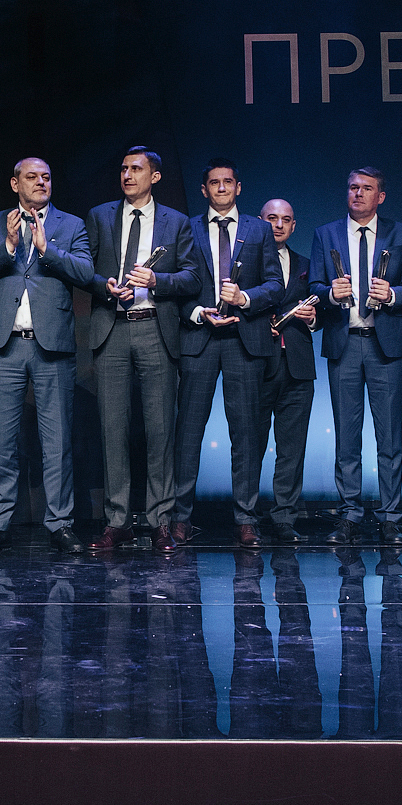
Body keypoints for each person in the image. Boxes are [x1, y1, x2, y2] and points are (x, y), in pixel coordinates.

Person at [0, 157, 95, 554]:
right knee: (1, 441)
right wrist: (7, 245)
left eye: (46, 177)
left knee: (57, 442)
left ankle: (60, 523)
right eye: (32, 177)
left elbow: (85, 274)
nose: (41, 182)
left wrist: (46, 250)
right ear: (15, 183)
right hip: (3, 345)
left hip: (52, 345)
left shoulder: (70, 225)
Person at [83, 147, 198, 553]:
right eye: (124, 168)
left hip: (154, 327)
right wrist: (104, 286)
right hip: (112, 327)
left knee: (159, 430)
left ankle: (160, 521)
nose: (128, 175)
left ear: (155, 177)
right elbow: (84, 268)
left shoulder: (176, 222)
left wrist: (157, 281)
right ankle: (117, 521)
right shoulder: (100, 216)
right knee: (112, 428)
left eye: (136, 169)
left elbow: (192, 277)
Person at [173, 160, 283, 548]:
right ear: (204, 190)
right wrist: (196, 312)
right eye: (214, 183)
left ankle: (245, 518)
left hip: (243, 339)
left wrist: (245, 298)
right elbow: (177, 285)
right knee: (188, 433)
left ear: (238, 187)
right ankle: (180, 517)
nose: (221, 188)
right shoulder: (186, 227)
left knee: (246, 433)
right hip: (199, 338)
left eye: (228, 182)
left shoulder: (259, 229)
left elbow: (276, 284)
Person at [308, 167, 402, 545]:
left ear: (380, 196)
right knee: (347, 436)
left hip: (385, 345)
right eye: (353, 187)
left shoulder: (400, 233)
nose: (357, 193)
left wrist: (393, 294)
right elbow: (314, 286)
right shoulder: (326, 234)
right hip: (344, 343)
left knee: (390, 437)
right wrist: (329, 294)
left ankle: (390, 517)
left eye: (366, 188)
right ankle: (350, 514)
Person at [257, 198, 318, 545]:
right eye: (272, 218)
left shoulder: (307, 265)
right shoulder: (246, 263)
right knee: (250, 445)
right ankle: (246, 518)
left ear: (294, 226)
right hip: (257, 363)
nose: (278, 225)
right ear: (260, 222)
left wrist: (313, 319)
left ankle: (284, 518)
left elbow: (323, 314)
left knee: (292, 449)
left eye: (285, 219)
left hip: (297, 366)